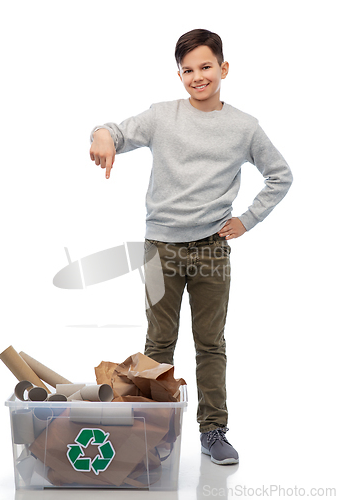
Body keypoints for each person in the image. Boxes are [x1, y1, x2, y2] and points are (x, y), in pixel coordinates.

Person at [89, 29, 293, 465]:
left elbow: (280, 175)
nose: (197, 77)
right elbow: (113, 132)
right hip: (160, 248)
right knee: (158, 343)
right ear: (178, 74)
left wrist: (247, 219)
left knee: (210, 344)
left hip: (211, 251)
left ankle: (213, 431)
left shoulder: (244, 127)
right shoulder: (163, 116)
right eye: (188, 70)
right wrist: (102, 137)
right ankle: (153, 431)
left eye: (206, 67)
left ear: (222, 68)